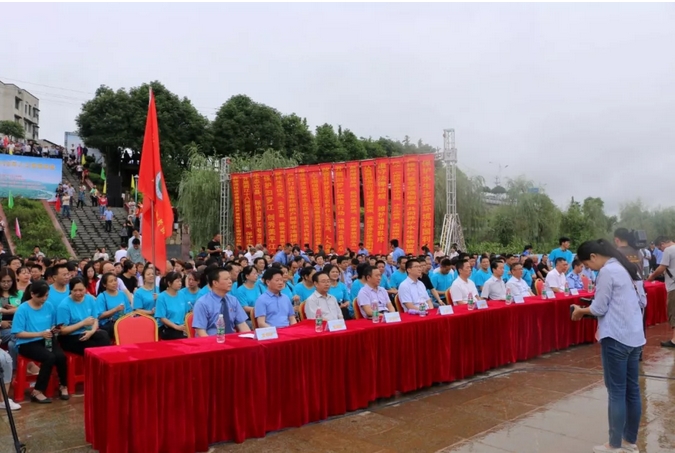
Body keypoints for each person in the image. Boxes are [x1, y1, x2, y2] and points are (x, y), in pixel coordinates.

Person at [571, 239, 646, 453]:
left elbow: (599, 308)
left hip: (616, 337)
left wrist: (580, 311)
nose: (590, 268)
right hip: (634, 336)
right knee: (632, 390)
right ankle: (630, 442)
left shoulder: (607, 271)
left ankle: (614, 445)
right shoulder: (627, 268)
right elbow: (642, 301)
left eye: (588, 264)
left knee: (616, 391)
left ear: (594, 256)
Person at [11, 280, 69, 403]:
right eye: (41, 296)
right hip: (27, 342)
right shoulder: (23, 309)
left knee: (61, 356)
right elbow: (18, 333)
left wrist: (54, 329)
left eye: (46, 295)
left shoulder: (49, 306)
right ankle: (37, 391)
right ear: (32, 294)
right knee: (49, 357)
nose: (44, 299)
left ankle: (63, 385)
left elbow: (52, 324)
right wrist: (39, 334)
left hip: (46, 338)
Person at [56, 277, 110, 355]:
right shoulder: (64, 306)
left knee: (104, 335)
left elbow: (95, 319)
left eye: (81, 290)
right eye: (75, 290)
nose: (78, 293)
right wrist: (82, 323)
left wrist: (92, 331)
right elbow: (62, 331)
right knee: (92, 346)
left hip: (88, 332)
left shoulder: (90, 299)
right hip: (71, 336)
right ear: (70, 290)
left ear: (85, 289)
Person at [192, 268, 250, 336]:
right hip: (211, 340)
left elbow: (242, 324)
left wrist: (249, 338)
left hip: (231, 339)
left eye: (230, 278)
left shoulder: (233, 300)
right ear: (215, 283)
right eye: (226, 279)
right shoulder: (202, 303)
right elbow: (201, 331)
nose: (230, 281)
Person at [647, 236, 675, 348]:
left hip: (673, 286)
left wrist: (651, 277)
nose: (661, 251)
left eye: (660, 248)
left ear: (662, 244)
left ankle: (674, 340)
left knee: (673, 311)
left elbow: (662, 268)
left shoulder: (668, 250)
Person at [96, 272, 132, 339]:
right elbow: (99, 315)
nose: (114, 283)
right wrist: (115, 309)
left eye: (115, 280)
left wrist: (127, 316)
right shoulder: (101, 297)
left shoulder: (122, 294)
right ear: (104, 284)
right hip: (110, 324)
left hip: (124, 321)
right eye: (111, 281)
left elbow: (129, 310)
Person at [155, 272, 190, 340]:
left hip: (181, 326)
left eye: (180, 281)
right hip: (167, 327)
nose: (180, 283)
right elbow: (162, 318)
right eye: (177, 281)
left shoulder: (182, 295)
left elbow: (187, 312)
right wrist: (176, 327)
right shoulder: (162, 297)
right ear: (169, 283)